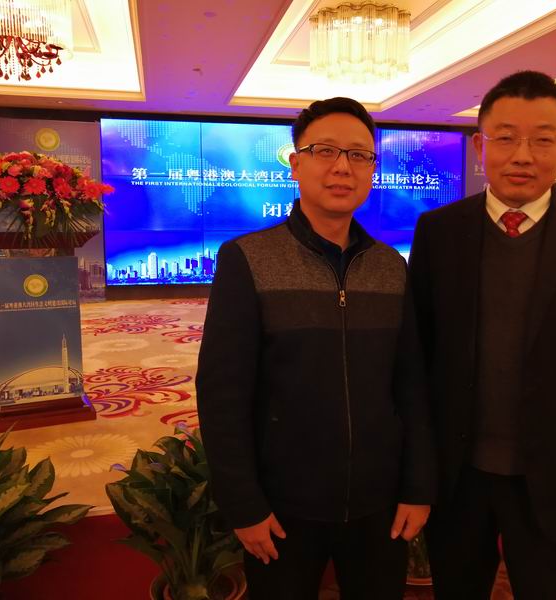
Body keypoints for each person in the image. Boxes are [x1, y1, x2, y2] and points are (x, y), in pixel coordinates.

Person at [407, 71, 556, 599]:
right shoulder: (439, 231)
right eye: (506, 138)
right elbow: (419, 360)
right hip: (458, 477)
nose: (523, 155)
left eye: (542, 139)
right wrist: (416, 470)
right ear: (481, 147)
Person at [196, 97, 435, 600]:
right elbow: (222, 394)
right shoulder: (247, 259)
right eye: (325, 150)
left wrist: (417, 487)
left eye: (359, 155)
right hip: (283, 507)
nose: (343, 167)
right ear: (295, 163)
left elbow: (411, 386)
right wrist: (244, 504)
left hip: (379, 503)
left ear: (372, 169)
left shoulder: (391, 267)